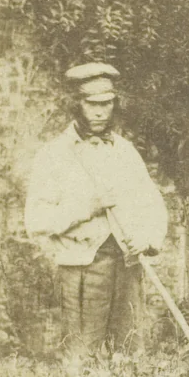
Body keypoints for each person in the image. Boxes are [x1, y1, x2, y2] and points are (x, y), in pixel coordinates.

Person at [24, 62, 168, 355]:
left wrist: (149, 239)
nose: (101, 112)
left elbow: (152, 203)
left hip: (127, 266)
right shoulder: (54, 155)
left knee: (128, 351)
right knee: (82, 354)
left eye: (107, 104)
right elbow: (36, 219)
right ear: (76, 105)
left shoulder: (124, 152)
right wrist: (85, 207)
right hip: (82, 266)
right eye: (92, 105)